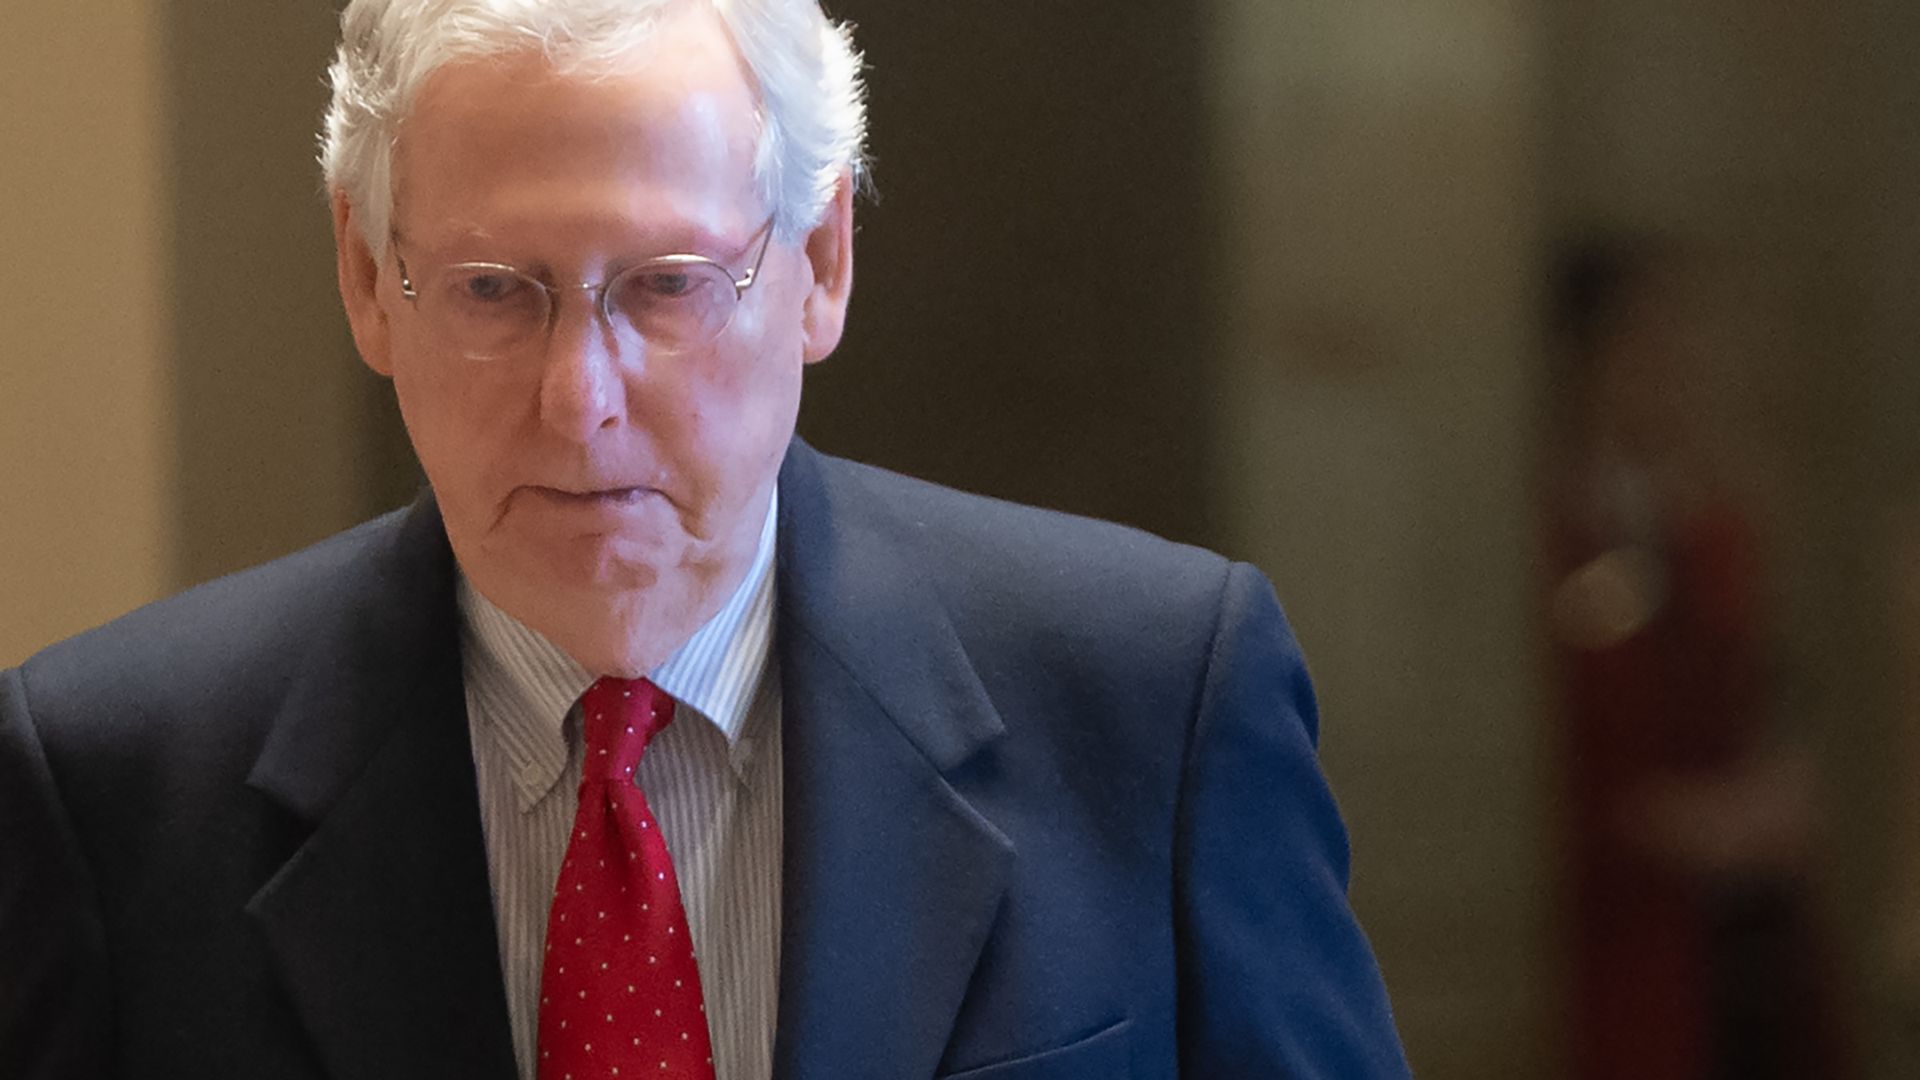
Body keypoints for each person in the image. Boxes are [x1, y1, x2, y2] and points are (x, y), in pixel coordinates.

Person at [0, 2, 1409, 1077]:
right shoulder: (108, 784)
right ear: (370, 281)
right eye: (496, 290)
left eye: (667, 287)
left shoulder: (1153, 700)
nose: (581, 400)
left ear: (822, 263)